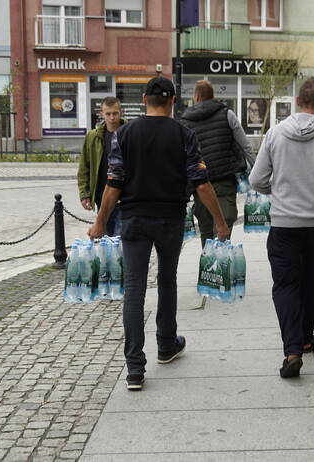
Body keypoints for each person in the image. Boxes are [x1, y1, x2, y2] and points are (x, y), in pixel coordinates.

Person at [88, 77, 231, 391]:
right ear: (173, 101)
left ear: (143, 99)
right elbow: (201, 183)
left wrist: (100, 222)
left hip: (135, 219)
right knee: (167, 279)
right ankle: (166, 344)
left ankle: (135, 368)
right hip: (170, 218)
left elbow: (114, 184)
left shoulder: (124, 134)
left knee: (135, 288)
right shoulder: (184, 134)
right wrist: (219, 222)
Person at [249, 78, 314, 378]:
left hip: (283, 223)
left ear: (296, 101)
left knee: (285, 285)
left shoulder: (275, 134)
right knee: (310, 279)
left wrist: (277, 191)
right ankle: (306, 337)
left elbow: (257, 180)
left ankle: (292, 349)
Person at [179, 80, 253, 243]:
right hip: (225, 181)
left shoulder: (184, 122)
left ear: (196, 97)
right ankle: (223, 265)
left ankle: (209, 265)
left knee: (206, 232)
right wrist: (256, 173)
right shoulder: (227, 114)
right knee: (224, 232)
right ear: (213, 97)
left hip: (200, 186)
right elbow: (246, 147)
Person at [78, 97, 124, 236]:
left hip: (125, 197)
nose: (112, 118)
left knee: (120, 240)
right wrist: (84, 194)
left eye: (115, 113)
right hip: (102, 197)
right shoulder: (93, 136)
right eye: (108, 114)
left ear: (121, 112)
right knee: (107, 240)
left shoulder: (129, 132)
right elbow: (84, 168)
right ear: (102, 114)